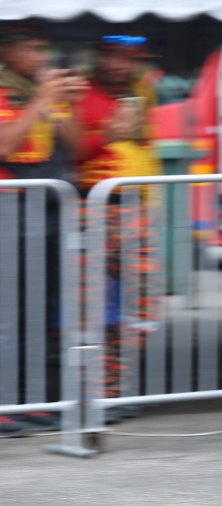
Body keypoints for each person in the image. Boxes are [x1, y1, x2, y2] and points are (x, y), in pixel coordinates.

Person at [0, 23, 86, 433]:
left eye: (43, 48)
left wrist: (61, 103)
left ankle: (32, 399)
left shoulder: (42, 90)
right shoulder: (6, 90)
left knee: (38, 310)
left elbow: (75, 144)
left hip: (46, 211)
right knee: (7, 314)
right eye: (32, 48)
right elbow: (5, 144)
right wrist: (40, 99)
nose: (41, 56)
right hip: (9, 209)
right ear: (9, 52)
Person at [75, 34, 162, 404]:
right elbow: (73, 151)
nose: (119, 65)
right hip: (94, 212)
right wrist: (108, 133)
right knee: (92, 309)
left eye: (127, 58)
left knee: (142, 306)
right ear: (99, 57)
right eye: (112, 56)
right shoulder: (81, 95)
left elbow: (146, 147)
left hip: (136, 214)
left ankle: (111, 389)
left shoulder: (143, 95)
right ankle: (90, 395)